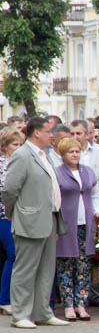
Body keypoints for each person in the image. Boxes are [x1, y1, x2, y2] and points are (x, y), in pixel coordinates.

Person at [3, 118, 70, 329]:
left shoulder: (44, 155)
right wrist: (16, 213)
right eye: (48, 132)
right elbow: (10, 190)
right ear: (36, 133)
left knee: (46, 268)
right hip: (29, 219)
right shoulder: (22, 155)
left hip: (48, 217)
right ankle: (20, 313)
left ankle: (42, 312)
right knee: (25, 268)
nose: (52, 136)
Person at [55, 137, 99, 322]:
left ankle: (81, 304)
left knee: (83, 266)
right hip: (66, 224)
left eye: (77, 151)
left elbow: (96, 194)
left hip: (86, 223)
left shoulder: (88, 172)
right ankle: (68, 306)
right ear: (62, 154)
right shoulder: (57, 173)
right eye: (70, 152)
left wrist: (98, 212)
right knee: (66, 265)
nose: (75, 155)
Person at [0, 128, 24, 316]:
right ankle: (5, 299)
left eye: (20, 144)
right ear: (5, 146)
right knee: (13, 254)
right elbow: (6, 189)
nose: (18, 148)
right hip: (4, 215)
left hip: (20, 215)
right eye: (14, 144)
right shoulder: (2, 164)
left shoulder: (20, 162)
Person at [70, 120, 99, 193]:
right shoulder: (66, 155)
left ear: (87, 135)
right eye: (72, 134)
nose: (75, 137)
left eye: (78, 133)